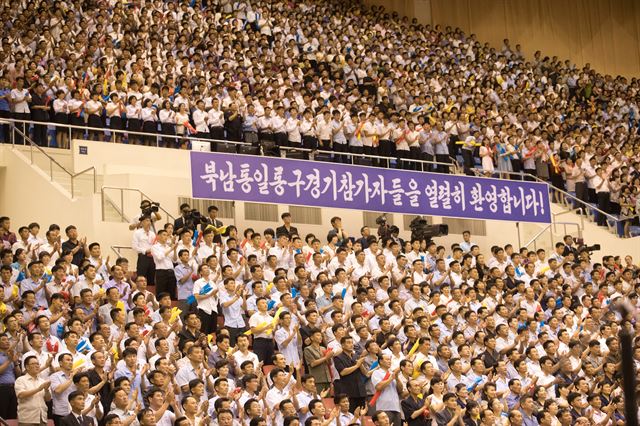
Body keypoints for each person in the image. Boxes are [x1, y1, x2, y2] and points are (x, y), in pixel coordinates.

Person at [15, 355, 51, 425]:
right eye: (33, 364)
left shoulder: (42, 381)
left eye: (38, 364)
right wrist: (39, 389)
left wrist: (46, 390)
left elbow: (48, 399)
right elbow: (21, 395)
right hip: (27, 419)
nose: (37, 366)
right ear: (27, 367)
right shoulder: (21, 380)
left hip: (42, 418)